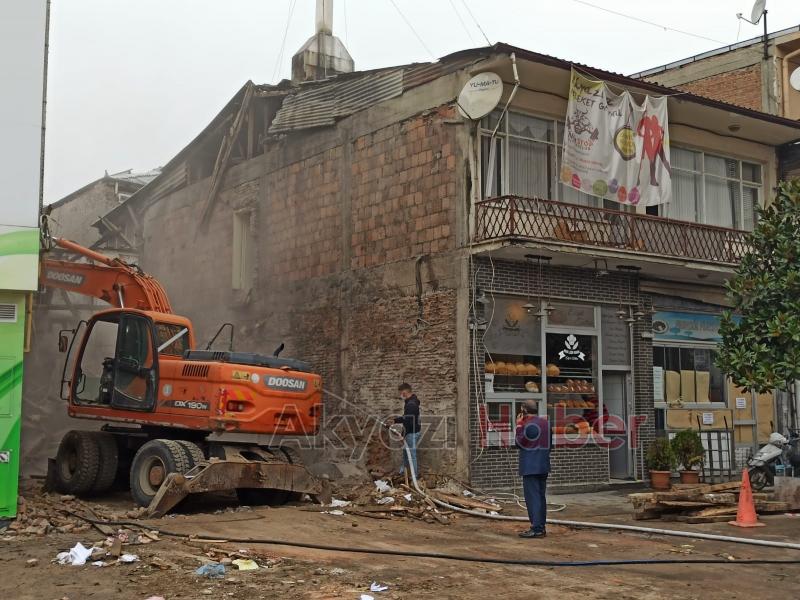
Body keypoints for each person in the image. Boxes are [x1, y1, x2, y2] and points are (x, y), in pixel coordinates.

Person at [515, 399, 551, 538]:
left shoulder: (527, 425)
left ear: (524, 409)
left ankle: (536, 528)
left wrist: (518, 426)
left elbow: (519, 442)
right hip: (543, 465)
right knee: (541, 497)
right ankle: (541, 527)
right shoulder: (545, 423)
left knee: (533, 498)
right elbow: (550, 444)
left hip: (530, 467)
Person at [391, 383, 421, 481]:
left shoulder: (411, 404)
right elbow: (407, 418)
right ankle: (402, 473)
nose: (400, 395)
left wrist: (403, 435)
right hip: (410, 432)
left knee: (411, 456)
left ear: (404, 392)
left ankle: (414, 477)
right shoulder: (411, 402)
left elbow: (408, 421)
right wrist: (395, 421)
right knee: (406, 454)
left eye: (401, 393)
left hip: (411, 433)